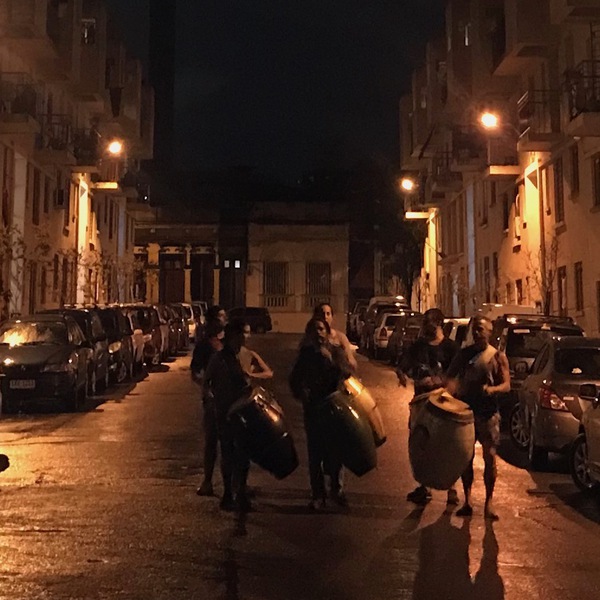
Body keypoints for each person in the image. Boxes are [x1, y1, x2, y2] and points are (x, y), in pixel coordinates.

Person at [446, 315, 510, 520]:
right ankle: (468, 500)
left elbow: (506, 385)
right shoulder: (464, 355)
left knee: (490, 457)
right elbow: (450, 378)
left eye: (481, 329)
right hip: (466, 414)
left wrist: (491, 390)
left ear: (490, 332)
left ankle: (489, 502)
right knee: (466, 459)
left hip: (488, 414)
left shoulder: (497, 357)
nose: (477, 333)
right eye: (474, 330)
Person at [397, 308, 459, 506]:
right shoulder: (418, 347)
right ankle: (425, 487)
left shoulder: (450, 348)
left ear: (439, 324)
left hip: (444, 403)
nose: (427, 329)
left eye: (430, 325)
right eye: (426, 325)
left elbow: (458, 373)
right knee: (421, 444)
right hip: (422, 402)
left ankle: (452, 489)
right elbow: (403, 365)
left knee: (447, 445)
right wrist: (404, 374)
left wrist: (443, 382)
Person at [289, 317, 352, 510]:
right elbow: (294, 379)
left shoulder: (335, 351)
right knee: (315, 455)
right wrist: (302, 392)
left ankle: (337, 490)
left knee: (336, 452)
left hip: (334, 409)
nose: (318, 333)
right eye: (314, 329)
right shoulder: (306, 355)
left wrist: (331, 360)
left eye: (321, 329)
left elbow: (347, 372)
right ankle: (318, 495)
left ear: (327, 332)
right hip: (314, 409)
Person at [203, 320, 253, 511]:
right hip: (225, 411)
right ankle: (227, 492)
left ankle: (240, 490)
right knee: (228, 453)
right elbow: (207, 383)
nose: (243, 339)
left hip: (243, 412)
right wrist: (211, 399)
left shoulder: (245, 356)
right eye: (240, 335)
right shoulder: (219, 359)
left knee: (244, 454)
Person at [191, 319, 225, 497]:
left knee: (229, 444)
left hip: (228, 401)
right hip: (213, 402)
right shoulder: (205, 347)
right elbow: (195, 372)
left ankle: (233, 485)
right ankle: (208, 480)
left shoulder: (228, 346)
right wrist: (206, 389)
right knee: (212, 442)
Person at [313, 303, 358, 372]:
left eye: (328, 314)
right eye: (322, 314)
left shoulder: (340, 337)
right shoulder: (312, 337)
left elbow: (350, 359)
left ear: (332, 317)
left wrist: (350, 363)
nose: (325, 317)